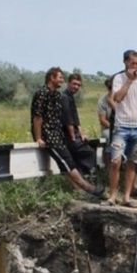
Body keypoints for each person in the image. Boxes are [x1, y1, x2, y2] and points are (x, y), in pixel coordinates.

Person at [31, 67, 104, 199]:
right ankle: (89, 188)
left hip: (58, 134)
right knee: (66, 162)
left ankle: (81, 191)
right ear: (51, 78)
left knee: (67, 162)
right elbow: (37, 117)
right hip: (49, 135)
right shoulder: (42, 93)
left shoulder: (57, 95)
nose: (62, 80)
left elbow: (66, 116)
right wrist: (38, 138)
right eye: (60, 77)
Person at [105, 50, 137, 207]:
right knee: (115, 161)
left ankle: (127, 197)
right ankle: (112, 195)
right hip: (122, 127)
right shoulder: (118, 79)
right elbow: (117, 98)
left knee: (133, 162)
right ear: (126, 63)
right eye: (133, 63)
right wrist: (128, 81)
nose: (136, 67)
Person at [62, 72, 97, 177]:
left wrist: (81, 133)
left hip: (71, 134)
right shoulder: (64, 97)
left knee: (77, 159)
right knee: (89, 153)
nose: (76, 87)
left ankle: (84, 180)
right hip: (67, 135)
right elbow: (68, 119)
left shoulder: (70, 97)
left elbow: (75, 118)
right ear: (68, 83)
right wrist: (74, 137)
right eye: (74, 84)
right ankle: (89, 177)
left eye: (78, 85)